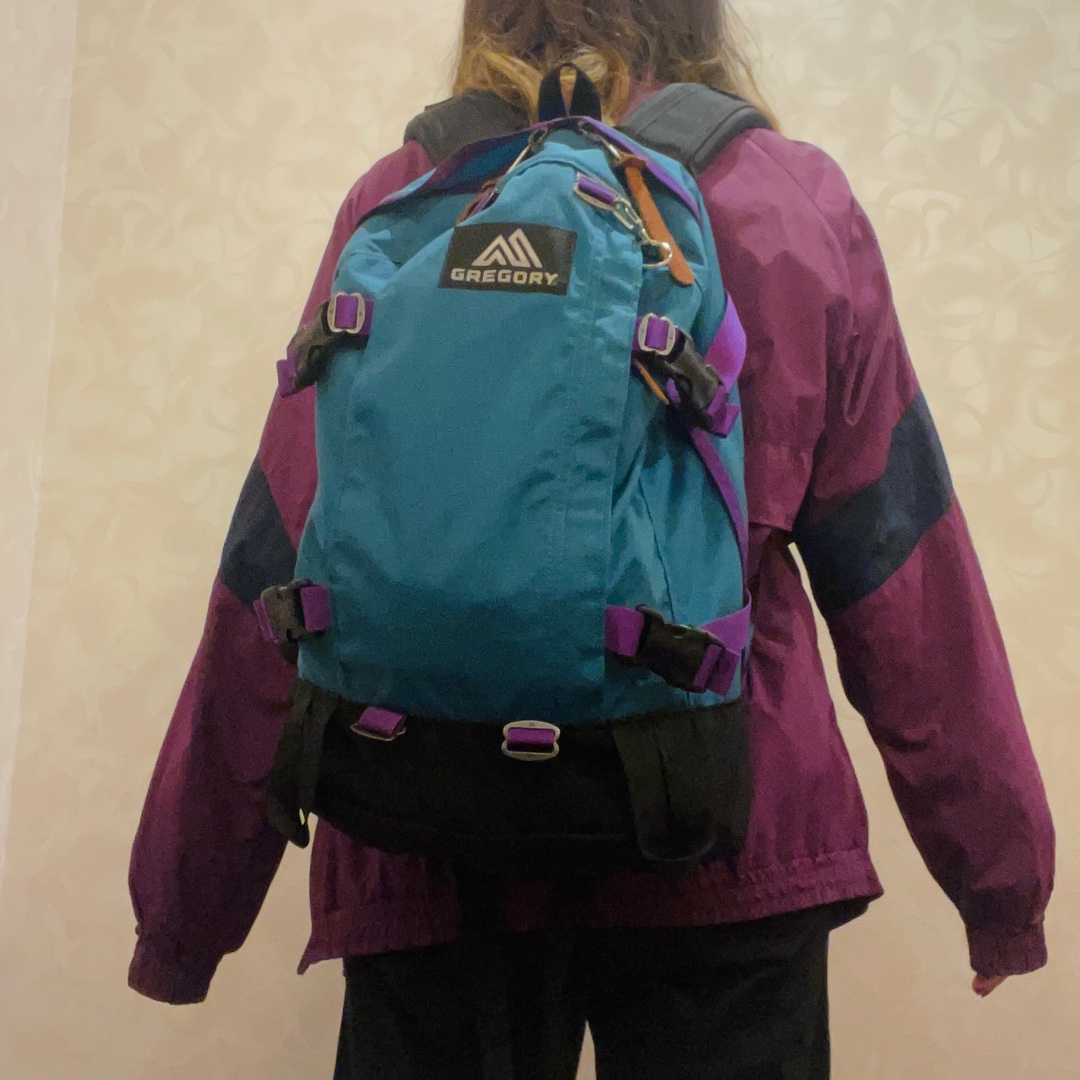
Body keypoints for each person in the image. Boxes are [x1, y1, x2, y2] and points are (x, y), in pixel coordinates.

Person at [127, 2, 1055, 1078]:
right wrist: (999, 877)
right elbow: (900, 560)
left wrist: (186, 908)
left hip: (422, 821)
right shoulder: (782, 200)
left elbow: (280, 559)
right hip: (720, 837)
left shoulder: (407, 196)